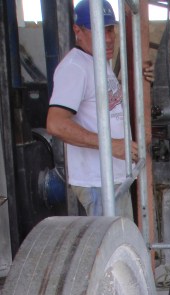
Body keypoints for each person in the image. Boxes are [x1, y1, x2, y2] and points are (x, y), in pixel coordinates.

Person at [46, 0, 152, 218]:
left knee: (119, 246)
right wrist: (110, 146)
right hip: (97, 182)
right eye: (99, 31)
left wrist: (139, 78)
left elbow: (104, 106)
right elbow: (56, 124)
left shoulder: (98, 60)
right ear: (78, 31)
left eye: (110, 29)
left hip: (112, 179)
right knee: (111, 249)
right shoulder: (75, 67)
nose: (108, 38)